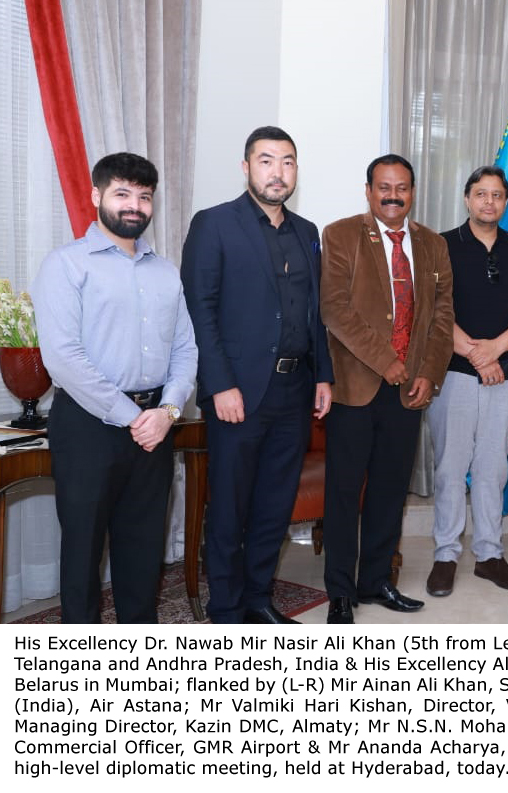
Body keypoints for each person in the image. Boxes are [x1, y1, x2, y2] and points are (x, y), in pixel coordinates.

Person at [32, 152, 197, 623]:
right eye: (123, 193)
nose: (134, 206)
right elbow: (63, 358)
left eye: (144, 197)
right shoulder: (65, 265)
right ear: (96, 195)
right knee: (83, 553)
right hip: (88, 426)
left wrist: (166, 412)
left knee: (144, 553)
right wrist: (134, 417)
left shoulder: (165, 272)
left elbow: (186, 350)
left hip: (155, 428)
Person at [181, 126, 333, 624]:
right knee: (229, 506)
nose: (278, 171)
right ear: (246, 167)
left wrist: (323, 377)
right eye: (267, 161)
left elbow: (317, 314)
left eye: (288, 162)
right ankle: (226, 610)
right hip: (237, 392)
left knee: (275, 503)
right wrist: (220, 384)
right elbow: (198, 310)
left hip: (294, 389)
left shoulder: (308, 232)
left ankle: (258, 598)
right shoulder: (214, 224)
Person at [319, 155, 454, 623]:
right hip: (356, 387)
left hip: (409, 391)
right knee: (343, 492)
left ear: (412, 192)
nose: (392, 195)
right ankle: (339, 590)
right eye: (383, 187)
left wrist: (427, 374)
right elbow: (335, 310)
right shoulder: (340, 235)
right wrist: (389, 363)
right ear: (368, 190)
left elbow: (441, 317)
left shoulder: (433, 244)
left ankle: (376, 581)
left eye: (402, 187)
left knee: (389, 491)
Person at [427, 166, 508, 597]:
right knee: (451, 468)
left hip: (507, 377)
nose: (489, 202)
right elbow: (435, 312)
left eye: (497, 195)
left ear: (506, 202)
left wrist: (493, 351)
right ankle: (445, 554)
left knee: (492, 469)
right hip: (454, 375)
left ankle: (489, 554)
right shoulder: (440, 246)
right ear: (466, 198)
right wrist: (477, 355)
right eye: (481, 194)